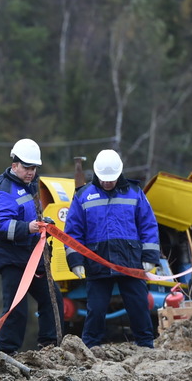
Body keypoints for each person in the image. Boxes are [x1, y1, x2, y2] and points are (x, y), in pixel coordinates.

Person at [64, 149, 160, 349]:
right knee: (96, 310)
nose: (108, 183)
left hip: (130, 263)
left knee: (139, 307)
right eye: (104, 179)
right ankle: (89, 348)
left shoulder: (135, 193)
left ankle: (146, 346)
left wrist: (149, 256)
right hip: (98, 264)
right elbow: (73, 231)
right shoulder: (83, 196)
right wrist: (76, 261)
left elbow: (148, 225)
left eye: (111, 179)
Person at [0, 138, 60, 356]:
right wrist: (28, 228)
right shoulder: (3, 190)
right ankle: (7, 353)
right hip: (12, 259)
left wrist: (43, 222)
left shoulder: (30, 186)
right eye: (27, 167)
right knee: (16, 308)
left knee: (52, 298)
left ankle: (50, 348)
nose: (31, 172)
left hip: (33, 256)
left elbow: (31, 215)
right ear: (14, 164)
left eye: (34, 168)